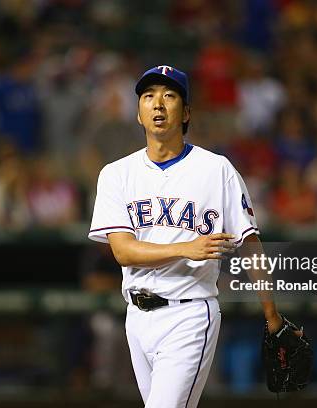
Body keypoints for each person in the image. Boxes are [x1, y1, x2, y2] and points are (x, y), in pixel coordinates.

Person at [88, 65, 295, 407]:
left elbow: (250, 245)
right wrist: (187, 248)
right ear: (139, 113)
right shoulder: (116, 175)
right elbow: (123, 251)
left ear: (185, 113)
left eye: (169, 96)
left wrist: (272, 315)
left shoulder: (217, 170)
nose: (157, 104)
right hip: (136, 317)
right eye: (148, 96)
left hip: (189, 314)